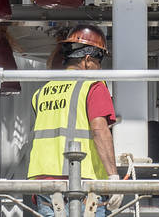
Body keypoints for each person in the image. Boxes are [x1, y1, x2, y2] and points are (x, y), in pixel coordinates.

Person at [27, 25, 122, 217]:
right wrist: (113, 177)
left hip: (44, 184)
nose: (100, 68)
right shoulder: (93, 86)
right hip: (82, 184)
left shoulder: (42, 92)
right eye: (99, 61)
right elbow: (99, 130)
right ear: (87, 61)